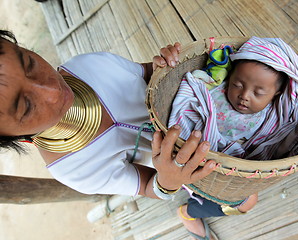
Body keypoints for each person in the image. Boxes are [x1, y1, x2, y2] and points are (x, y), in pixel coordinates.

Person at [0, 29, 218, 200]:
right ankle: (191, 214)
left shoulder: (90, 66)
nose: (52, 90)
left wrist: (166, 64)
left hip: (219, 109)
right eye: (25, 106)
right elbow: (147, 186)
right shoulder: (73, 168)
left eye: (30, 63)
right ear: (9, 137)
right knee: (242, 202)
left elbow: (148, 73)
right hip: (199, 166)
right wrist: (169, 181)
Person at [170, 36, 298, 239]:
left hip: (234, 173)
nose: (245, 95)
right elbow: (193, 99)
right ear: (230, 77)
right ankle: (189, 213)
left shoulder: (272, 116)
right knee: (246, 202)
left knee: (247, 201)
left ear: (276, 95)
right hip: (196, 161)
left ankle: (192, 209)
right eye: (237, 84)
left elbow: (270, 143)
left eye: (259, 92)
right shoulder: (215, 92)